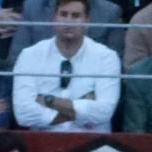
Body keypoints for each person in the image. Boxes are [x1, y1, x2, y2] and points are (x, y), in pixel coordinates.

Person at [12, 0, 122, 130]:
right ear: (54, 19)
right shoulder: (30, 55)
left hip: (92, 140)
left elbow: (104, 113)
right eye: (63, 14)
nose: (68, 22)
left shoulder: (107, 57)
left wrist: (49, 100)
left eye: (76, 16)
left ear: (87, 21)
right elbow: (23, 114)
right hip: (45, 139)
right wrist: (83, 107)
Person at [8, 0, 125, 63]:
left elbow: (114, 63)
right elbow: (16, 58)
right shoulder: (32, 7)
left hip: (88, 87)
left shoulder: (110, 12)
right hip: (40, 84)